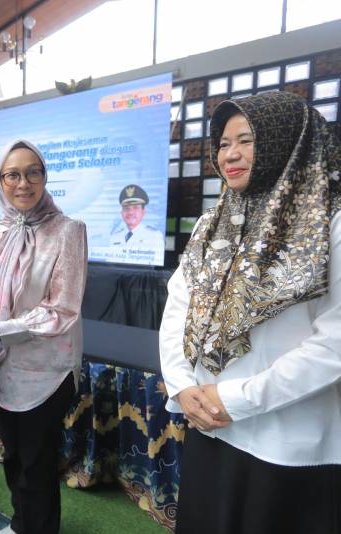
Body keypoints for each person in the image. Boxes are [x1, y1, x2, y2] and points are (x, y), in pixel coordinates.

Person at [159, 91, 341, 534]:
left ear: (288, 141)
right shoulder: (213, 222)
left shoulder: (330, 222)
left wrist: (239, 399)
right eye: (223, 143)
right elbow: (178, 305)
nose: (230, 154)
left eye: (247, 140)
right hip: (209, 424)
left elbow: (334, 343)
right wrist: (182, 386)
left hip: (286, 442)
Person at [0, 139, 88, 534]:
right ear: (0, 180)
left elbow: (61, 310)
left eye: (33, 173)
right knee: (12, 454)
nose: (24, 183)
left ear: (45, 176)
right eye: (12, 175)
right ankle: (21, 523)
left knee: (37, 462)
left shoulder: (68, 231)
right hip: (1, 365)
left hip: (45, 371)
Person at [109, 184, 163, 264]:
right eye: (126, 208)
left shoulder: (154, 236)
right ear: (122, 213)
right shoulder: (114, 237)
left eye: (135, 208)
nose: (130, 212)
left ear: (143, 212)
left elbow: (155, 266)